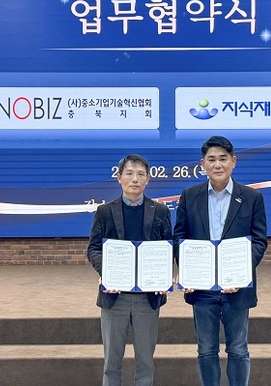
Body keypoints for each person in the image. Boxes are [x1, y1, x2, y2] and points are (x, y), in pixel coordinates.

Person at [174, 136, 267, 386]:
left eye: (223, 159)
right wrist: (187, 271)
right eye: (212, 159)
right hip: (202, 288)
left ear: (233, 162)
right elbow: (180, 237)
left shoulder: (251, 197)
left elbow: (259, 241)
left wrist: (240, 272)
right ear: (202, 164)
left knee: (238, 349)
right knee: (206, 350)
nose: (218, 164)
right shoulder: (189, 196)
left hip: (237, 288)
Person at [87, 154, 173, 386]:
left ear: (148, 179)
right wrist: (106, 272)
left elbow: (168, 248)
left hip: (148, 298)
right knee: (111, 363)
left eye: (140, 174)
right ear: (119, 177)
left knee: (145, 362)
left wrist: (165, 276)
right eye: (129, 173)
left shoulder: (160, 211)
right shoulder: (105, 212)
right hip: (115, 298)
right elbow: (93, 249)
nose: (135, 179)